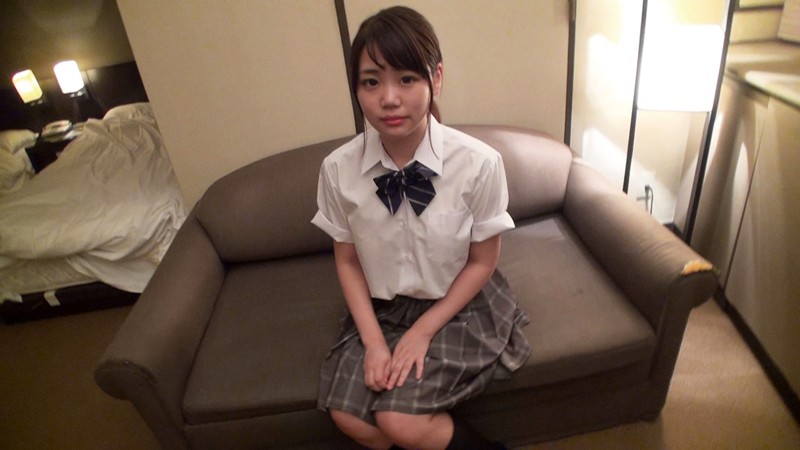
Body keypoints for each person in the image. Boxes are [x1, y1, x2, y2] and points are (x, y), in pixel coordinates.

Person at [311, 6, 531, 449]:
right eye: (371, 82)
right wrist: (375, 342)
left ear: (437, 78)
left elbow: (483, 262)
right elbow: (348, 260)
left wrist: (422, 332)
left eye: (407, 79)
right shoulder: (337, 170)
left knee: (397, 421)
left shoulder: (479, 164)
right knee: (349, 417)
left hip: (459, 304)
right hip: (384, 308)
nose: (389, 98)